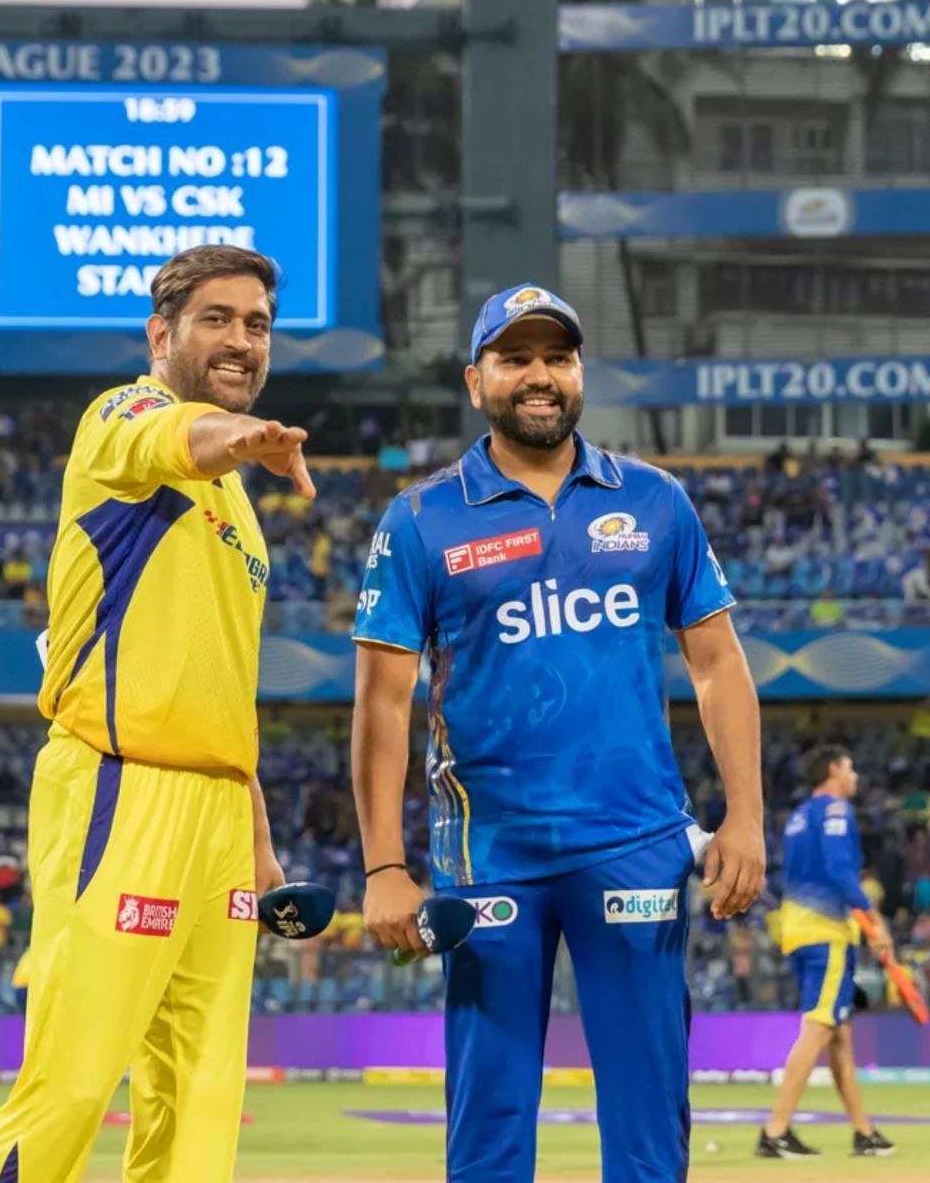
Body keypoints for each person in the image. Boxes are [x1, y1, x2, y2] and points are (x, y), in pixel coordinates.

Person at [351, 283, 766, 1183]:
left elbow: (719, 666)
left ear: (579, 373)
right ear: (476, 381)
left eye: (557, 357)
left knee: (650, 1121)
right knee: (491, 1126)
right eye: (515, 358)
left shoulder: (656, 501)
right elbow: (382, 701)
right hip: (489, 852)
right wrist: (385, 864)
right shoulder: (421, 518)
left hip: (638, 845)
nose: (539, 376)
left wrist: (747, 817)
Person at [0, 245, 316, 1183]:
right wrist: (240, 441)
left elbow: (221, 680)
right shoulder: (125, 417)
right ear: (163, 334)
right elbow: (181, 438)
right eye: (217, 319)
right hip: (122, 793)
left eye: (257, 325)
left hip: (216, 819)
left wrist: (259, 832)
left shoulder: (239, 511)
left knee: (198, 1112)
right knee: (71, 1089)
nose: (242, 340)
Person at [757, 746, 897, 1158]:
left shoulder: (799, 816)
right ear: (835, 769)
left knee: (839, 1036)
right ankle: (775, 1131)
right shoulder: (835, 810)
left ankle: (863, 1131)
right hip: (827, 933)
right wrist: (875, 922)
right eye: (851, 767)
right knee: (819, 1028)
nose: (855, 776)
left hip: (796, 929)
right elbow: (839, 872)